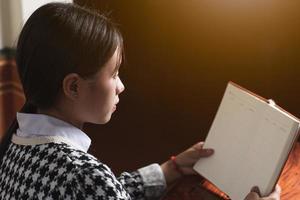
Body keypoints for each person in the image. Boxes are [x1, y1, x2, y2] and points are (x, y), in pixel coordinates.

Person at [0, 3, 280, 200]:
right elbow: (96, 188)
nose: (121, 86)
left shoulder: (16, 144)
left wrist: (169, 170)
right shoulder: (81, 174)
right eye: (114, 73)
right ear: (73, 86)